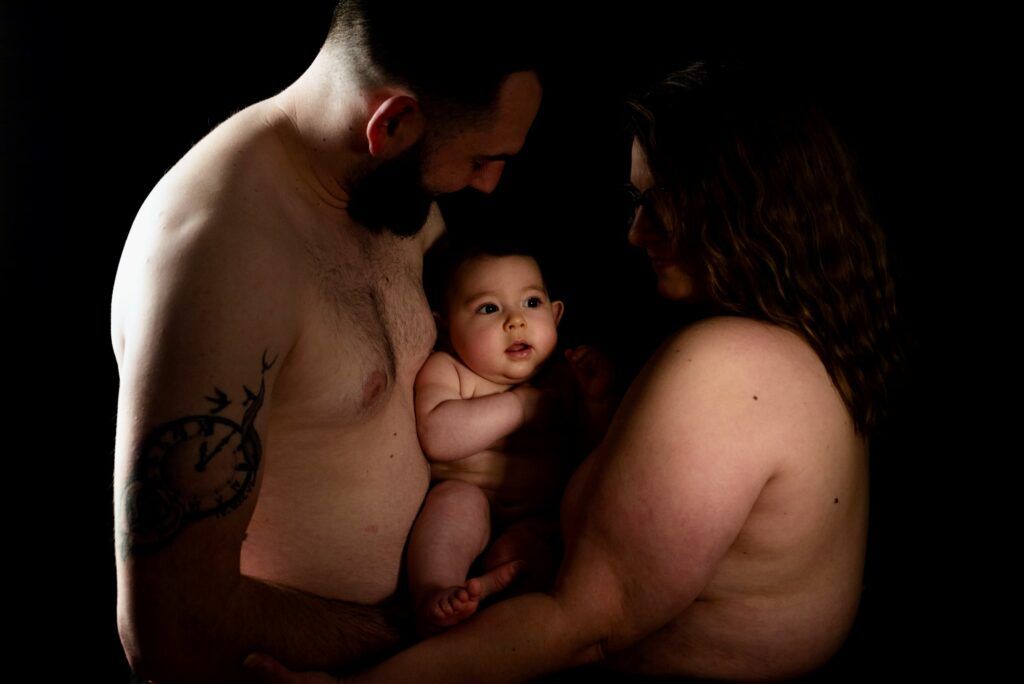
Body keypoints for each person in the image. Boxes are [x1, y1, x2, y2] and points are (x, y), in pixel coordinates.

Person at [243, 61, 902, 683]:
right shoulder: (806, 346)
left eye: (661, 200)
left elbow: (581, 625)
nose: (637, 234)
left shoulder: (730, 364)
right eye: (635, 202)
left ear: (739, 203)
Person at [110, 2, 543, 682]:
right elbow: (173, 629)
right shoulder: (220, 257)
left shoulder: (388, 192)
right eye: (482, 158)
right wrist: (426, 645)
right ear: (392, 122)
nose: (488, 185)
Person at [408, 245, 614, 635]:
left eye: (531, 302)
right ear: (446, 325)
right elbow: (437, 436)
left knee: (532, 551)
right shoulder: (449, 369)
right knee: (453, 506)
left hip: (538, 514)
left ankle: (493, 601)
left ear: (555, 315)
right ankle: (433, 594)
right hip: (472, 497)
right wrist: (519, 405)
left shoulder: (564, 378)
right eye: (489, 308)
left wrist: (597, 401)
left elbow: (597, 452)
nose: (516, 321)